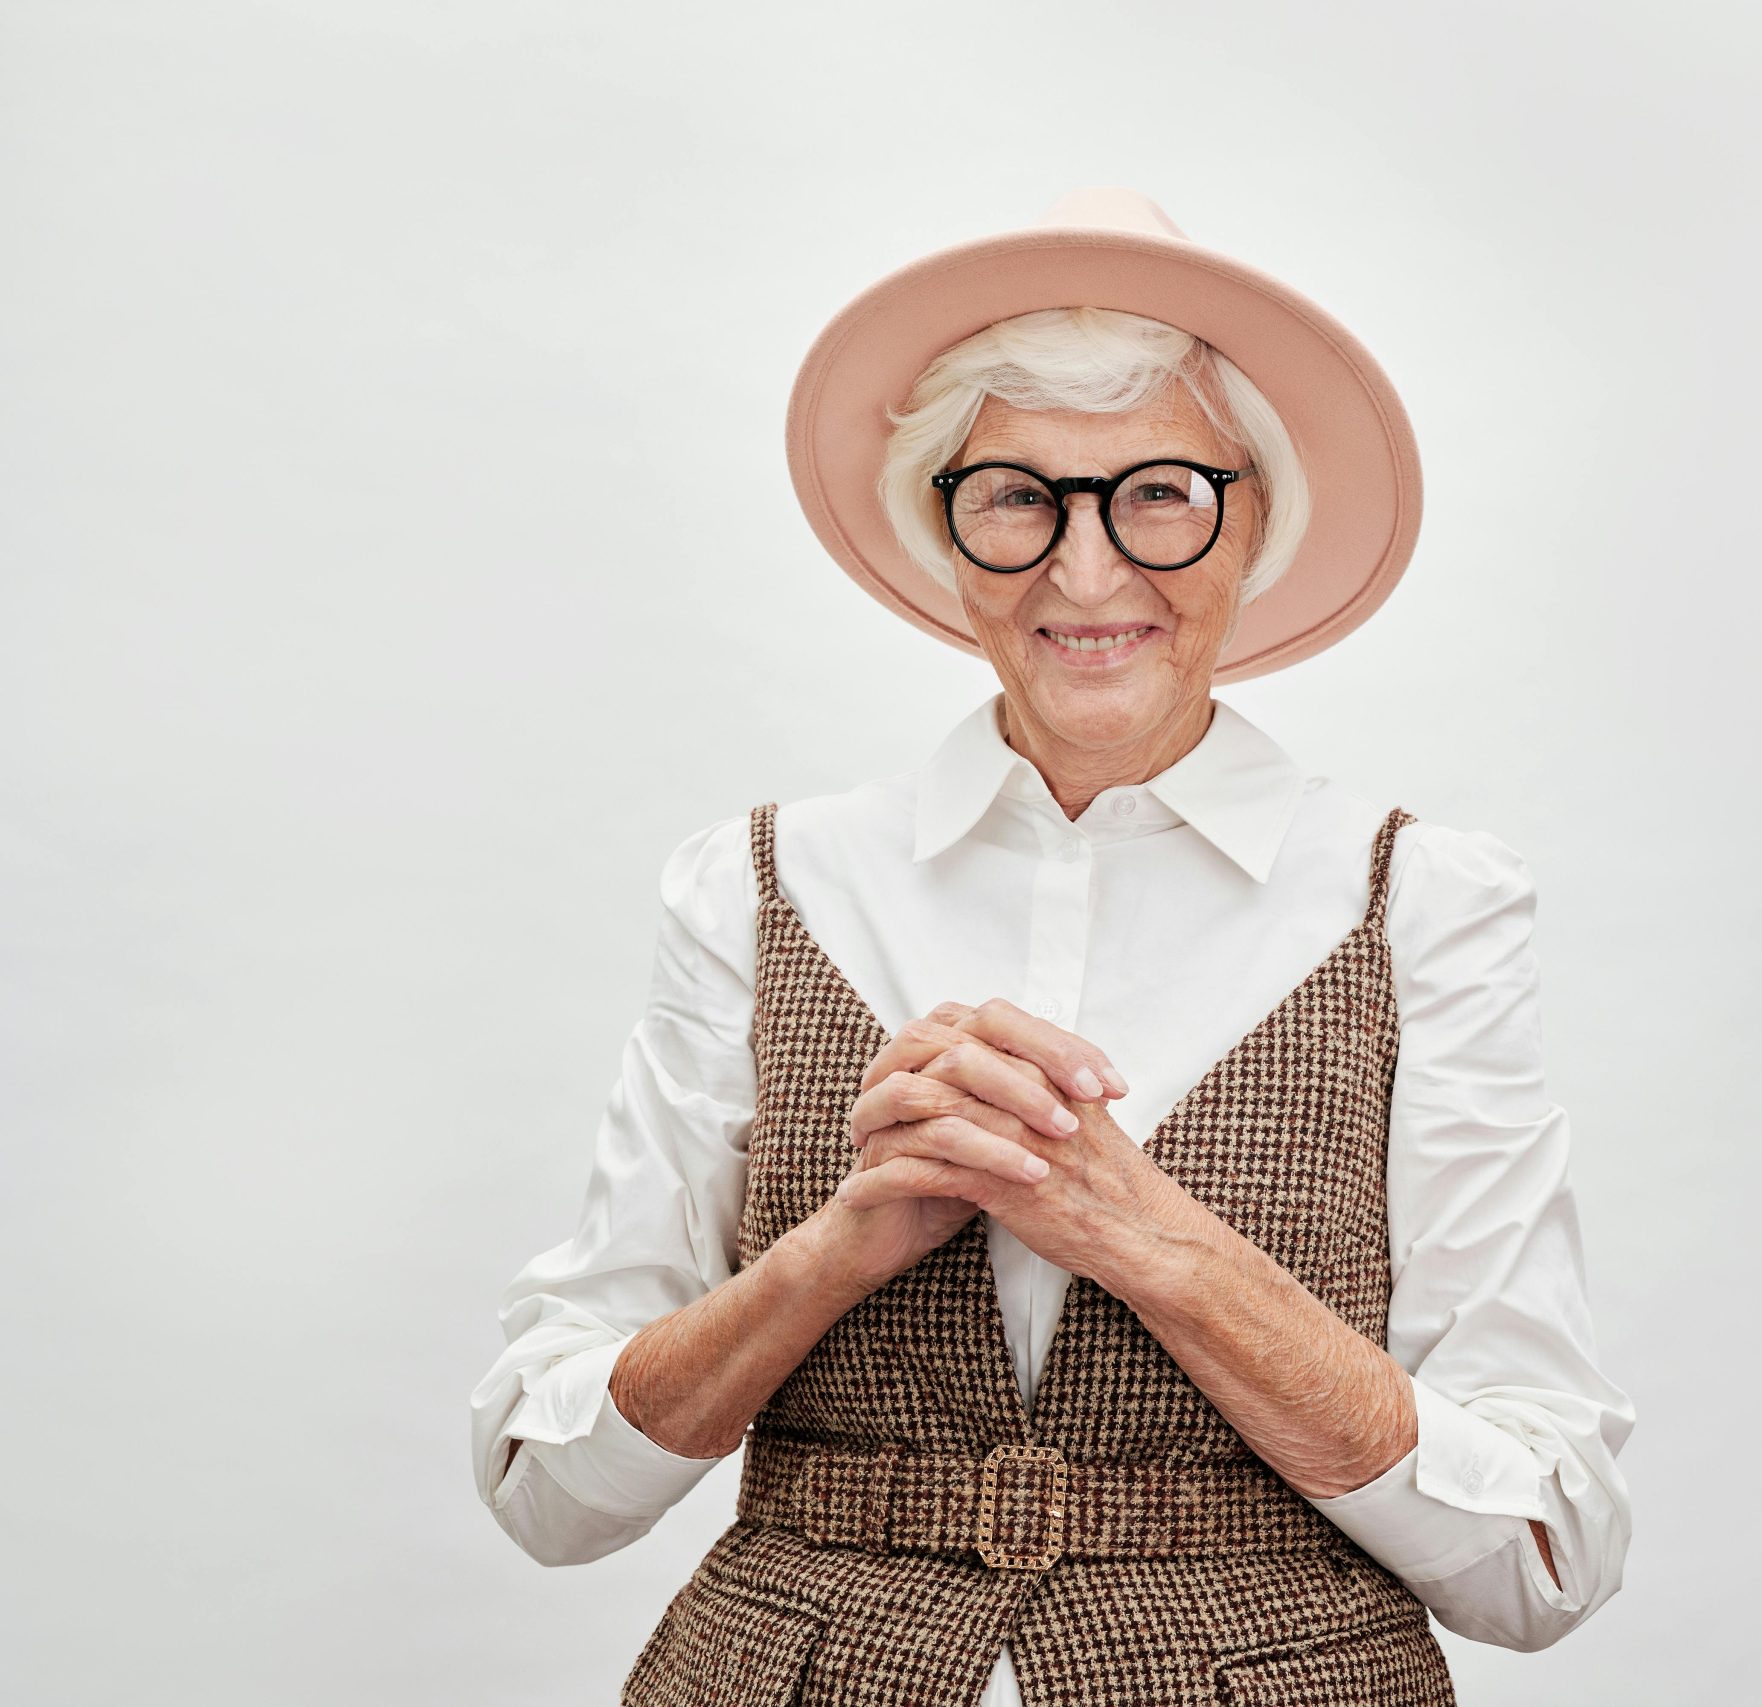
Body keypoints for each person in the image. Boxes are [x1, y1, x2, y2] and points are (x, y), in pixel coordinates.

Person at [468, 188, 1635, 1705]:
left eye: (1161, 493)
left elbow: (1544, 1553)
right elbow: (549, 1496)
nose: (1086, 575)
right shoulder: (763, 883)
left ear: (1255, 517)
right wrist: (832, 1252)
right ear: (941, 532)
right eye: (1017, 496)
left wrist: (1151, 1243)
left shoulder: (1418, 898)